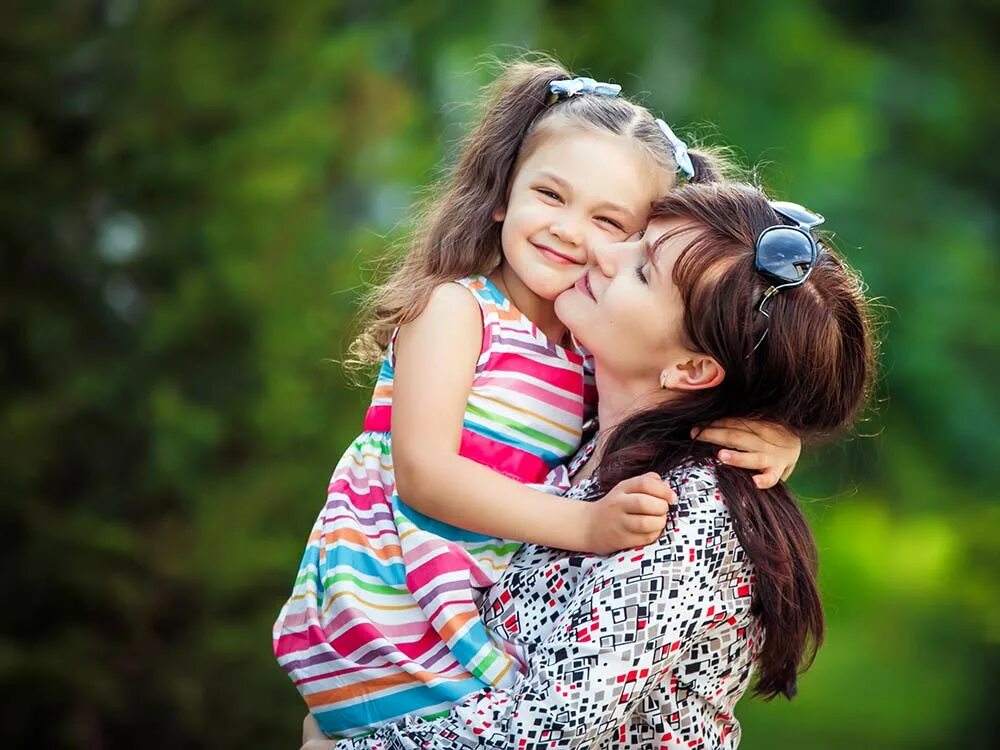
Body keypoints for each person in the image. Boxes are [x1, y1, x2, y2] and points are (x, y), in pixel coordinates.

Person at [272, 59, 800, 739]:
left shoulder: (586, 352)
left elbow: (671, 405)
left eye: (609, 220)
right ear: (502, 196)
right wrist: (584, 528)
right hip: (385, 617)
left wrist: (777, 440)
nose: (569, 231)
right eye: (550, 195)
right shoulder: (456, 310)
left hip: (462, 625)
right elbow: (424, 474)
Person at [298, 181, 876, 749]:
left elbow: (549, 731)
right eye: (637, 236)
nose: (601, 250)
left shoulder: (685, 513)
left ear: (693, 371)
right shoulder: (582, 437)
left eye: (642, 270)